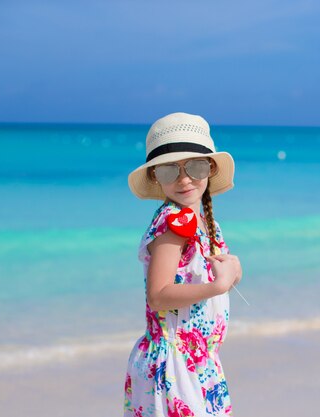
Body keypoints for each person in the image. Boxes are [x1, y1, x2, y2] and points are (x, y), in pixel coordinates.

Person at [124, 112, 242, 417]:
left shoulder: (204, 221)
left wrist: (232, 274)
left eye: (195, 166)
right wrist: (218, 285)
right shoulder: (171, 222)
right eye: (168, 171)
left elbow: (197, 277)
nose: (185, 178)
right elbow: (159, 294)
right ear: (154, 177)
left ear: (210, 168)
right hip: (174, 367)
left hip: (200, 363)